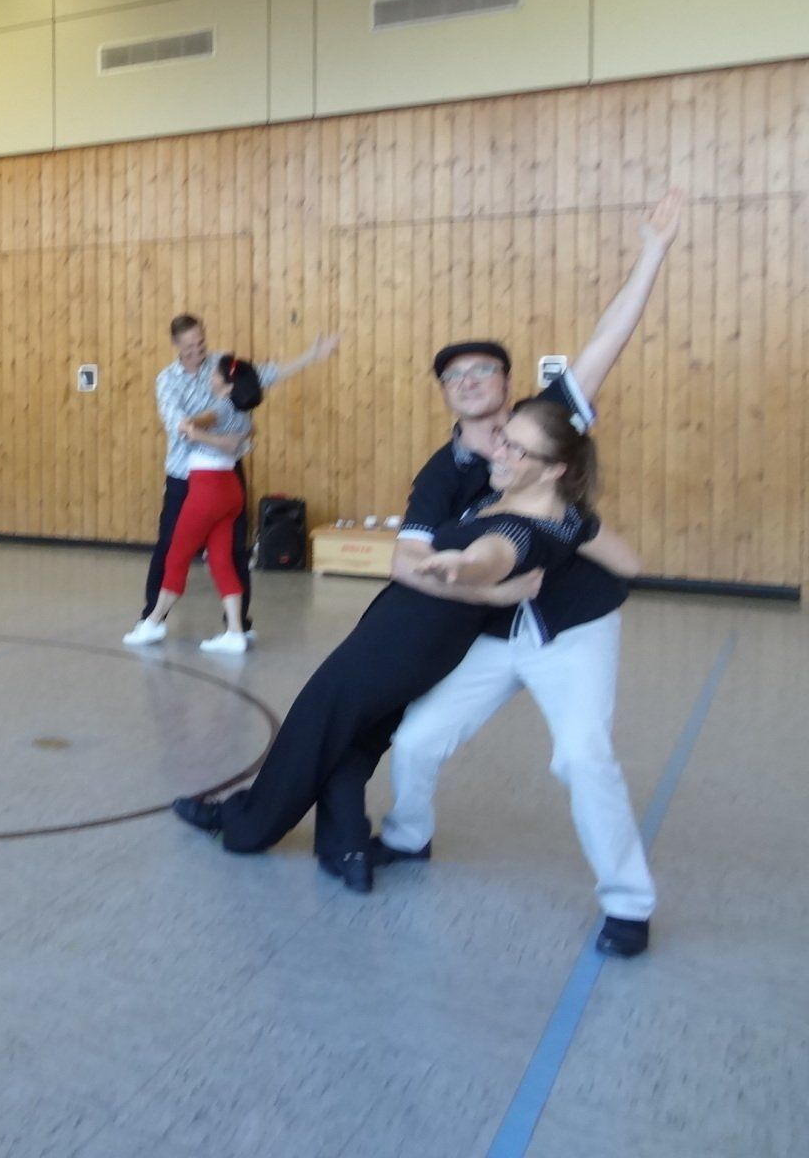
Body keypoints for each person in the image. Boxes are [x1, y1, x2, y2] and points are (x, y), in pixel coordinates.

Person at [372, 189, 683, 957]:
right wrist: (473, 576)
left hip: (571, 630)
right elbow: (455, 556)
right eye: (456, 375)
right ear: (446, 395)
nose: (470, 380)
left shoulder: (546, 425)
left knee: (582, 756)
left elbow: (608, 339)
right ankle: (408, 837)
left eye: (485, 370)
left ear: (510, 389)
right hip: (493, 629)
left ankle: (628, 903)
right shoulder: (445, 473)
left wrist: (652, 251)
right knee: (417, 741)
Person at [172, 400, 639, 896]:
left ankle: (246, 828)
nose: (500, 451)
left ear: (554, 469)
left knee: (316, 724)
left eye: (516, 449)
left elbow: (494, 554)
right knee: (358, 736)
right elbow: (629, 564)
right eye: (503, 439)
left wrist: (468, 571)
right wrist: (564, 575)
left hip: (406, 638)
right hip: (422, 638)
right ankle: (347, 848)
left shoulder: (518, 526)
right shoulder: (567, 518)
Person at [141, 318, 338, 642]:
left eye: (201, 342)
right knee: (169, 546)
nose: (197, 350)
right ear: (176, 345)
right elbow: (180, 421)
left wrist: (310, 356)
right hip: (183, 474)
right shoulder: (168, 379)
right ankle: (152, 617)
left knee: (232, 551)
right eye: (189, 346)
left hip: (221, 475)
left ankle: (237, 626)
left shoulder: (222, 366)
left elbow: (265, 375)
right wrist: (225, 436)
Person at [125, 355, 262, 653]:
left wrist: (192, 427)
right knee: (221, 561)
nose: (210, 377)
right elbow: (243, 435)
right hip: (230, 490)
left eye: (215, 375)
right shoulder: (243, 411)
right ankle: (235, 632)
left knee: (177, 556)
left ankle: (153, 622)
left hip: (208, 491)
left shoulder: (222, 407)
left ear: (227, 383)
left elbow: (204, 424)